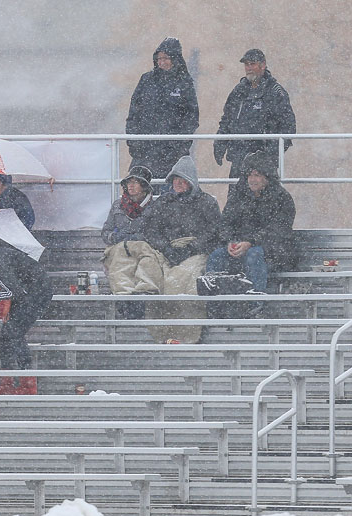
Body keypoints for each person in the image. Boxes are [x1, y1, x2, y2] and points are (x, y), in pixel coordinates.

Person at [142, 155, 221, 343]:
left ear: (190, 181)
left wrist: (191, 248)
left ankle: (186, 335)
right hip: (166, 250)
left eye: (181, 179)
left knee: (184, 283)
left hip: (196, 252)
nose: (177, 183)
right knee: (157, 279)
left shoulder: (207, 202)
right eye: (174, 179)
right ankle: (164, 334)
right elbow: (149, 229)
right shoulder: (162, 203)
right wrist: (166, 248)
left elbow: (215, 232)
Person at [206, 151, 297, 296]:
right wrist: (230, 241)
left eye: (257, 175)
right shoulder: (238, 195)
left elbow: (278, 231)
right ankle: (215, 302)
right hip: (240, 249)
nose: (252, 179)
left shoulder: (282, 198)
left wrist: (250, 242)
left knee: (254, 255)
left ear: (267, 177)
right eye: (249, 175)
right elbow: (225, 223)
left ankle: (254, 303)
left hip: (273, 252)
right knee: (217, 255)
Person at [213, 48, 296, 179]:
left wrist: (271, 155)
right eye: (246, 64)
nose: (249, 68)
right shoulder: (239, 91)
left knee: (263, 197)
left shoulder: (275, 92)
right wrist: (220, 143)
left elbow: (288, 127)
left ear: (263, 65)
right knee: (235, 198)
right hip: (238, 157)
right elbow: (227, 120)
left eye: (252, 64)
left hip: (263, 161)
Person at [125, 37, 199, 181]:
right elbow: (133, 114)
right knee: (141, 193)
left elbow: (192, 117)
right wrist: (134, 143)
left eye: (166, 58)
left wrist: (179, 146)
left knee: (171, 195)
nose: (161, 62)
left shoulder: (184, 82)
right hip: (144, 151)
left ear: (175, 58)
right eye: (159, 58)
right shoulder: (146, 80)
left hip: (172, 154)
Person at [101, 165, 163, 318]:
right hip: (120, 247)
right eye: (129, 182)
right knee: (119, 262)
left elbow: (157, 234)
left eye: (136, 182)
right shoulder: (117, 205)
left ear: (144, 186)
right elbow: (105, 232)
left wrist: (140, 237)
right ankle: (124, 298)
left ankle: (142, 295)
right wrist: (115, 237)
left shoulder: (155, 207)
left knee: (147, 260)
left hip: (144, 247)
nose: (131, 185)